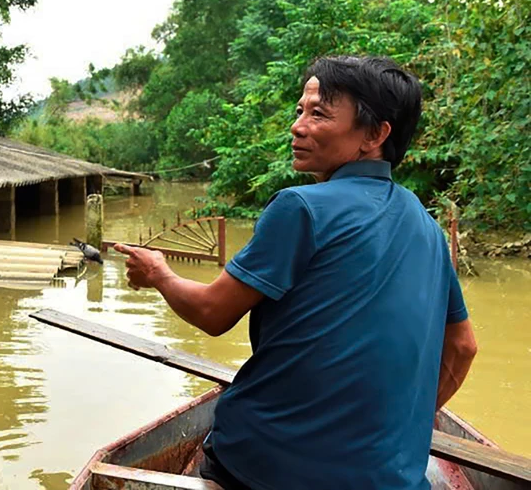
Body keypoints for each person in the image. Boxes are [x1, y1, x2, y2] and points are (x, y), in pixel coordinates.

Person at [114, 56, 477, 490]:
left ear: (375, 134)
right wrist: (397, 428)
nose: (298, 126)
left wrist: (159, 274)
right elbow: (463, 347)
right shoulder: (427, 226)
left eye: (319, 114)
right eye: (300, 110)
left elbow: (212, 313)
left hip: (270, 467)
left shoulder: (301, 207)